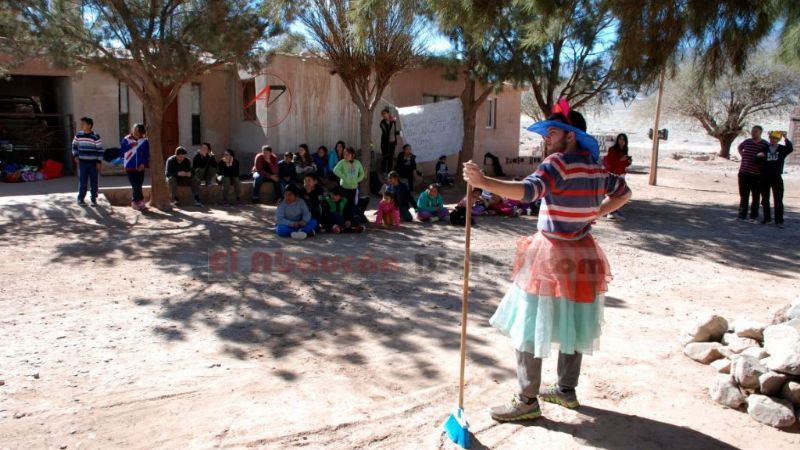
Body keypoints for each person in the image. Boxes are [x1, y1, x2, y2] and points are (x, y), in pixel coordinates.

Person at [462, 101, 631, 423]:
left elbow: (529, 191)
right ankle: (566, 390)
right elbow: (624, 192)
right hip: (584, 253)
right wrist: (595, 212)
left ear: (571, 136)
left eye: (553, 132)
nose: (546, 138)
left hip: (551, 254)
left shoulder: (557, 163)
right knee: (574, 322)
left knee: (529, 324)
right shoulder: (596, 168)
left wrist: (483, 182)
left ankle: (527, 400)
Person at [761, 131, 793, 228]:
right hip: (765, 176)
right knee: (765, 199)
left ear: (778, 139)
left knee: (778, 199)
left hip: (776, 176)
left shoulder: (781, 149)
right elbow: (758, 160)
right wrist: (758, 157)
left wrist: (785, 138)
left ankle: (779, 220)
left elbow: (790, 148)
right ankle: (767, 218)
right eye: (771, 138)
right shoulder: (765, 148)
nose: (773, 140)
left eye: (775, 138)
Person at [737, 126, 769, 221]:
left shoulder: (765, 144)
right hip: (744, 173)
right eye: (752, 131)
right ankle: (742, 214)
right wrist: (743, 155)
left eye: (756, 131)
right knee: (744, 195)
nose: (753, 133)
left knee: (755, 196)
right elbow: (739, 147)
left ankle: (753, 215)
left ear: (760, 133)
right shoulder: (747, 142)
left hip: (756, 175)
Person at [72, 116, 104, 206]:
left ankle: (93, 199)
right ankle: (80, 199)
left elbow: (100, 150)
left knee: (94, 181)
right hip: (83, 163)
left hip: (93, 163)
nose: (81, 125)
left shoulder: (95, 136)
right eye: (81, 123)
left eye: (84, 124)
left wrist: (99, 162)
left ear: (89, 125)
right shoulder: (78, 135)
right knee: (83, 181)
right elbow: (74, 145)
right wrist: (75, 155)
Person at [120, 123, 149, 210]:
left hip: (140, 167)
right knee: (135, 185)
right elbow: (122, 150)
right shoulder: (126, 139)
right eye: (134, 129)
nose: (135, 132)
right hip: (130, 166)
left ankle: (141, 201)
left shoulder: (144, 141)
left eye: (137, 131)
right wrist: (131, 146)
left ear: (141, 132)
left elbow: (146, 154)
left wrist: (143, 164)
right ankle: (135, 202)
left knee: (139, 185)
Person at [602, 133, 632, 219]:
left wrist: (628, 162)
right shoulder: (612, 150)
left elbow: (624, 164)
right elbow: (609, 163)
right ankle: (611, 212)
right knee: (614, 193)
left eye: (623, 139)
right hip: (614, 173)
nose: (622, 141)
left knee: (620, 193)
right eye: (620, 139)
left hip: (621, 173)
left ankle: (613, 211)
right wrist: (620, 159)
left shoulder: (624, 150)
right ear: (617, 140)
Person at [333, 146, 365, 217]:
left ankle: (351, 217)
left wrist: (357, 180)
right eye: (344, 154)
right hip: (344, 187)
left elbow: (362, 173)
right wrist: (344, 177)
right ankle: (344, 217)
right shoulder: (342, 162)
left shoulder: (357, 163)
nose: (345, 156)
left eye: (347, 154)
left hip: (353, 188)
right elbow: (335, 170)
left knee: (352, 204)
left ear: (353, 155)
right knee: (343, 203)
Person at [379, 108, 399, 174]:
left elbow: (393, 131)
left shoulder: (393, 121)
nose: (384, 115)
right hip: (385, 144)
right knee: (385, 157)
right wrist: (391, 121)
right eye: (383, 114)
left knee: (391, 158)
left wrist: (399, 133)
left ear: (388, 113)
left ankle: (389, 172)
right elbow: (387, 132)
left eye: (385, 113)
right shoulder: (382, 123)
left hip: (392, 143)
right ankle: (384, 172)